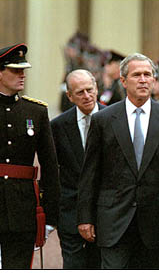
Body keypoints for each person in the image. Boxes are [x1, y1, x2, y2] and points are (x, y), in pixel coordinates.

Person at [76, 53, 159, 269]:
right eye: (137, 75)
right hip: (113, 220)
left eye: (147, 75)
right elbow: (90, 172)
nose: (143, 80)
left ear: (154, 80)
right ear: (123, 80)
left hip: (156, 222)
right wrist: (85, 217)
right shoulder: (103, 120)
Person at [0, 43, 60, 269]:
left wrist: (50, 216)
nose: (22, 75)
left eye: (23, 70)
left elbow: (50, 164)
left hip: (22, 210)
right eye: (15, 71)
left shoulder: (36, 112)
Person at [50, 69, 105, 269]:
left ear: (97, 89)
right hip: (70, 214)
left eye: (90, 90)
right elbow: (53, 171)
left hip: (106, 214)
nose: (87, 96)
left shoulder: (116, 118)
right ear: (69, 96)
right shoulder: (57, 126)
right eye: (80, 92)